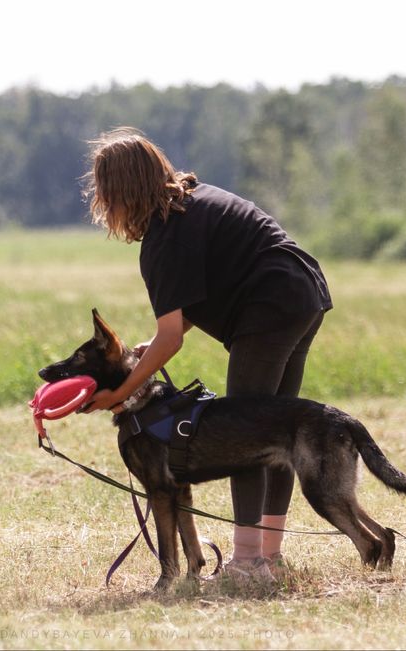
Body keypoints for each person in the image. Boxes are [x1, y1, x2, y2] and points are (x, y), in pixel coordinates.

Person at [81, 127, 332, 584]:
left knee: (246, 435)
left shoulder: (163, 239)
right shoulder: (191, 204)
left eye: (104, 194)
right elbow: (200, 297)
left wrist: (120, 391)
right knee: (278, 432)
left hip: (271, 305)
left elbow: (170, 338)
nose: (103, 205)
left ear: (120, 191)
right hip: (304, 293)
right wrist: (151, 346)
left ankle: (249, 562)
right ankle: (268, 556)